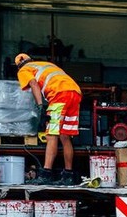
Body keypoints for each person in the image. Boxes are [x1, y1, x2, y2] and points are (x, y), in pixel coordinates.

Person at [14, 53, 82, 186]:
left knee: (51, 135)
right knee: (65, 136)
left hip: (59, 95)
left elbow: (33, 84)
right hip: (75, 92)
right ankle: (68, 175)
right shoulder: (45, 65)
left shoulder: (24, 70)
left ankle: (46, 174)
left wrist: (41, 107)